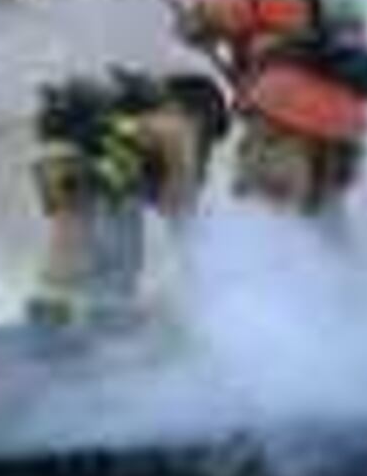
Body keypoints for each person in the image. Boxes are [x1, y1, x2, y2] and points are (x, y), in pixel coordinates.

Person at [176, 0, 367, 218]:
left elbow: (208, 20)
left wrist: (191, 23)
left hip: (284, 117)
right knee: (326, 237)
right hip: (345, 133)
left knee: (262, 221)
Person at [23, 66, 232, 340]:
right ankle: (70, 309)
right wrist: (204, 292)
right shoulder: (181, 129)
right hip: (97, 148)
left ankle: (52, 302)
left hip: (62, 147)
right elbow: (180, 211)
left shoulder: (150, 118)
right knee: (109, 249)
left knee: (82, 236)